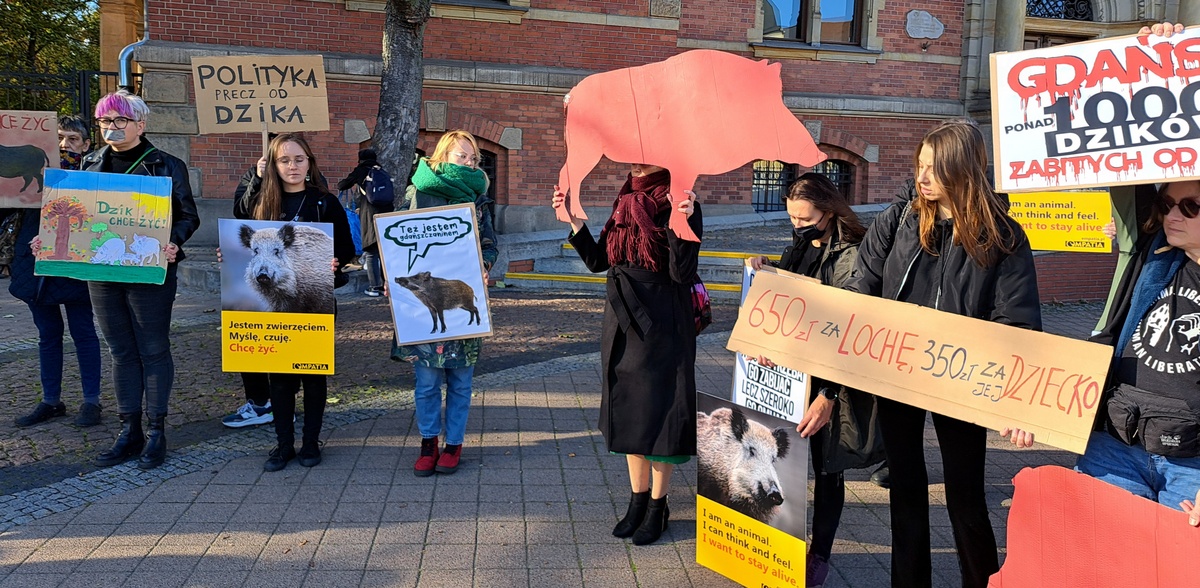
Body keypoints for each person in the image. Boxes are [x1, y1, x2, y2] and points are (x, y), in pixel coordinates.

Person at [844, 120, 1041, 588]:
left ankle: (983, 580)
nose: (922, 176)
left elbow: (1017, 321)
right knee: (906, 490)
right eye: (920, 165)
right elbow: (859, 287)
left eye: (934, 168)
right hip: (897, 373)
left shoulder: (1003, 236)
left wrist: (1017, 399)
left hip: (962, 381)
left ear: (963, 169)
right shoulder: (900, 219)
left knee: (965, 495)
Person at [551, 163, 702, 546]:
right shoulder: (626, 197)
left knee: (662, 414)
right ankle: (637, 501)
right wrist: (574, 222)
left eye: (644, 152)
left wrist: (682, 224)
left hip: (663, 322)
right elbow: (600, 261)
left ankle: (658, 505)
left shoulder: (678, 198)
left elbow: (682, 274)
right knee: (631, 412)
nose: (635, 159)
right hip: (621, 321)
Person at [747, 173, 885, 587]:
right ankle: (782, 539)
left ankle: (819, 553)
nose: (798, 225)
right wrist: (768, 268)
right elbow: (793, 292)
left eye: (805, 218)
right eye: (791, 217)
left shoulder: (852, 255)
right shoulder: (804, 243)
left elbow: (849, 330)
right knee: (783, 461)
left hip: (829, 382)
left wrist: (828, 396)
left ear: (829, 210)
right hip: (794, 374)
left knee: (828, 470)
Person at [84, 90, 201, 470]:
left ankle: (156, 431)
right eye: (105, 121)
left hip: (148, 269)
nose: (112, 128)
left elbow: (187, 216)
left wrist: (173, 242)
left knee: (152, 348)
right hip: (102, 272)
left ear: (140, 124)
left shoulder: (166, 165)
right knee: (120, 351)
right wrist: (50, 238)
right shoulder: (88, 165)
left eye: (120, 120)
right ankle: (128, 429)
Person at [1077, 178, 1200, 527]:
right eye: (1166, 205)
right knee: (1104, 559)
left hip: (1190, 464)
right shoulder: (1150, 256)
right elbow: (1127, 177)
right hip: (1115, 444)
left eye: (1190, 207)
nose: (1173, 216)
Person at [233, 132, 356, 471]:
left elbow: (345, 248)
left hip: (313, 301)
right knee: (281, 376)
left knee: (314, 374)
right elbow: (239, 224)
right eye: (284, 160)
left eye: (299, 159)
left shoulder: (324, 202)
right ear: (271, 165)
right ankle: (283, 444)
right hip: (277, 305)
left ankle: (311, 442)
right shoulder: (259, 202)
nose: (292, 166)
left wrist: (335, 262)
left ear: (309, 163)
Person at [390, 130, 497, 477]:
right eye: (460, 156)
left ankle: (454, 444)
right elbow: (396, 242)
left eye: (473, 158)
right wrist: (393, 278)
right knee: (426, 383)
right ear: (441, 157)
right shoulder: (417, 193)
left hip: (458, 299)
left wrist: (484, 264)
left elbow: (490, 243)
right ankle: (427, 443)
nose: (468, 162)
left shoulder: (478, 200)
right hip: (424, 307)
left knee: (461, 382)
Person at [10, 115, 103, 428]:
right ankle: (51, 400)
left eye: (73, 139)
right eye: (59, 138)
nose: (65, 145)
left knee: (83, 332)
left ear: (87, 144)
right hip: (34, 264)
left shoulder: (95, 175)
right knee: (47, 335)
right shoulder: (31, 172)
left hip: (75, 263)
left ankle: (91, 401)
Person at [336, 148, 394, 297]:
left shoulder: (361, 170)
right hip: (388, 214)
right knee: (384, 251)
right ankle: (388, 285)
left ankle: (375, 287)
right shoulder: (382, 171)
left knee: (371, 251)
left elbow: (342, 185)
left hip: (370, 214)